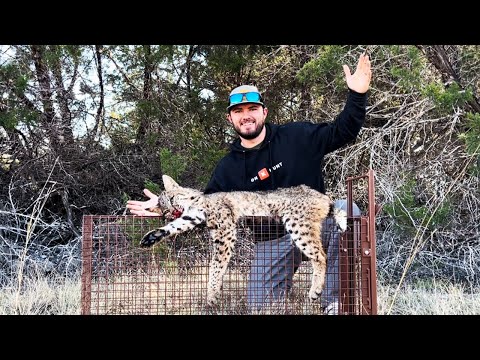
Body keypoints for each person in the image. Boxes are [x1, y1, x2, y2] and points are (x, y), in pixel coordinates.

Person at [127, 51, 371, 314]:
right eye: (239, 111)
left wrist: (357, 95)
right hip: (271, 240)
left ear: (264, 112)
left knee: (348, 212)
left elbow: (343, 131)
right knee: (261, 308)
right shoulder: (227, 169)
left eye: (252, 109)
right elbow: (208, 210)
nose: (246, 116)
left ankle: (333, 303)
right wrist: (167, 205)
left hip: (313, 223)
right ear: (230, 118)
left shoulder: (298, 137)